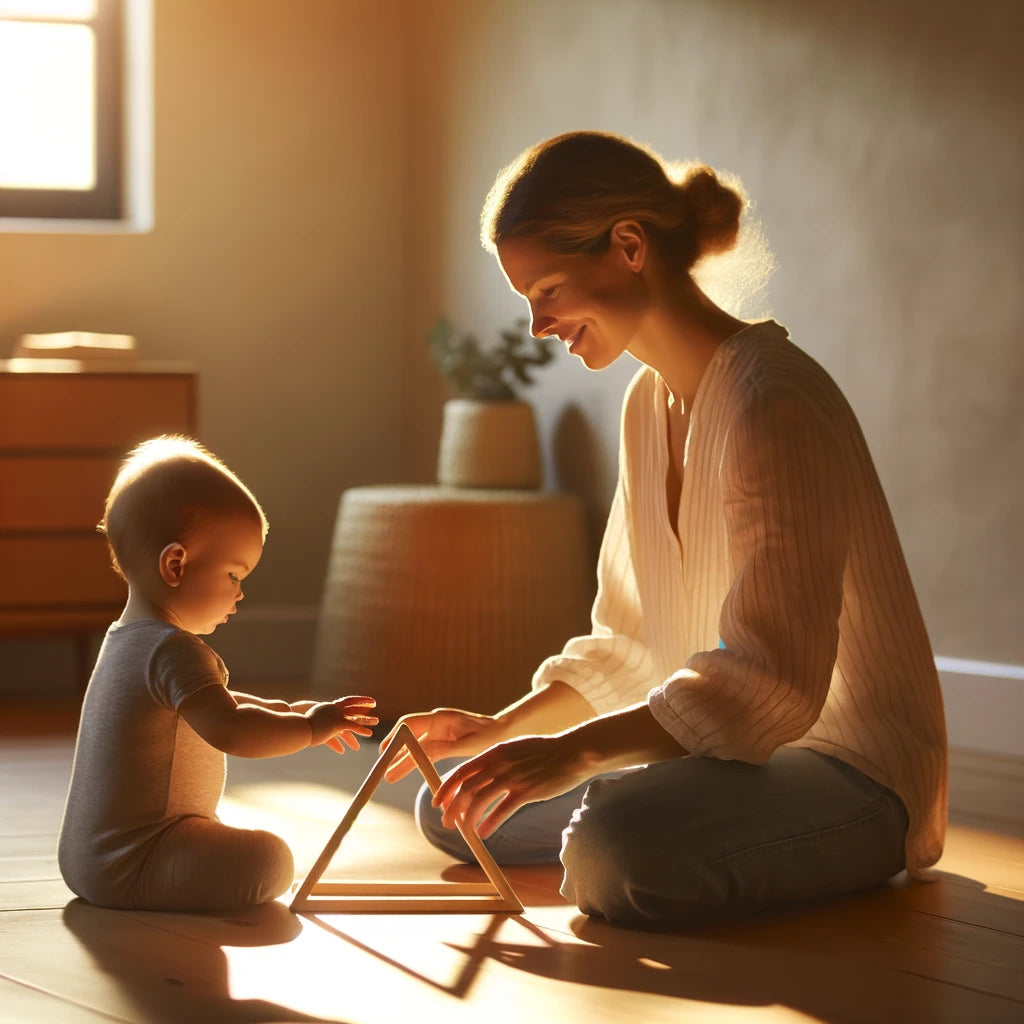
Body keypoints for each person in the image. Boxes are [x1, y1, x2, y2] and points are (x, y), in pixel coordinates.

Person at [382, 131, 948, 928]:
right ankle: (639, 804)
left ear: (628, 245)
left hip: (849, 769)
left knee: (611, 850)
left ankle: (678, 820)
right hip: (730, 756)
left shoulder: (773, 401)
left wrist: (576, 753)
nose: (540, 325)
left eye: (547, 289)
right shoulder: (648, 405)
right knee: (459, 805)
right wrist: (507, 728)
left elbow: (773, 678)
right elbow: (629, 640)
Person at [58, 437, 378, 912]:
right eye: (234, 576)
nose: (240, 594)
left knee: (232, 846)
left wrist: (285, 710)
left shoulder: (125, 639)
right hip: (140, 860)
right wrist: (310, 729)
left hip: (85, 861)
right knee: (270, 859)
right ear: (175, 564)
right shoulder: (174, 651)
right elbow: (231, 728)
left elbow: (210, 704)